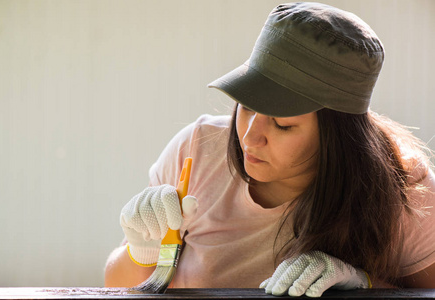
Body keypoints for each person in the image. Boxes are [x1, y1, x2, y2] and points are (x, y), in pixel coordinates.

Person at [104, 2, 435, 297]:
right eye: (246, 107)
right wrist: (142, 250)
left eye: (283, 125)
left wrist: (365, 284)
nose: (250, 137)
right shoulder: (195, 149)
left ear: (339, 137)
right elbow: (114, 287)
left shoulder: (405, 187)